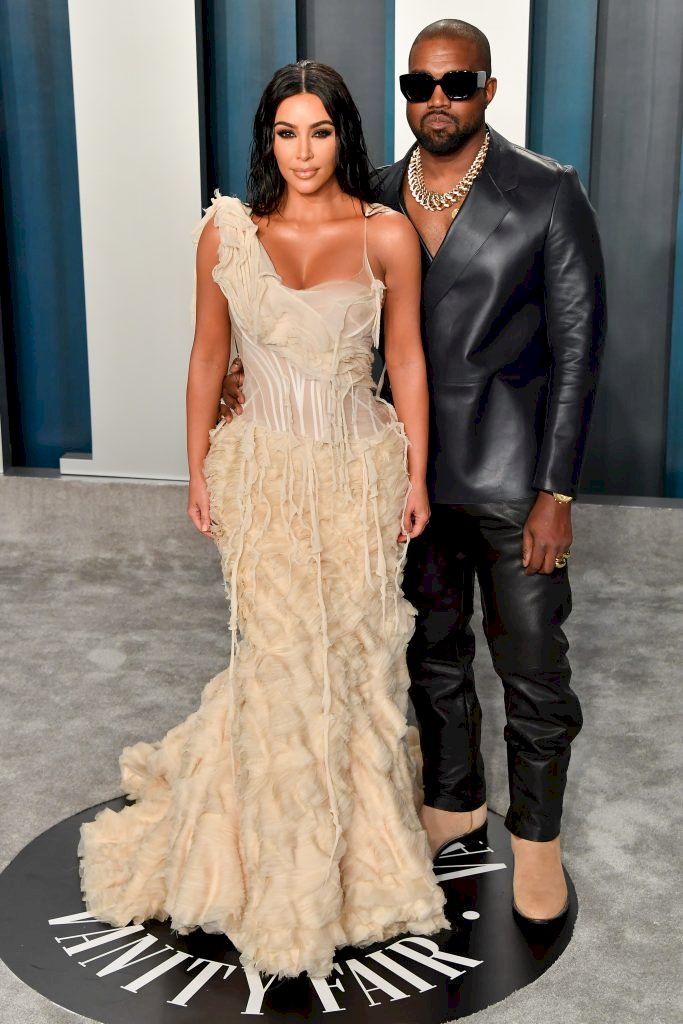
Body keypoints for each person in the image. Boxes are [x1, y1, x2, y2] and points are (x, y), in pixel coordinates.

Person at [222, 21, 606, 926]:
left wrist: (558, 491)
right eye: (419, 82)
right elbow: (331, 313)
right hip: (401, 471)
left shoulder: (546, 191)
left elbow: (580, 348)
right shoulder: (378, 192)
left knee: (533, 667)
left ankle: (535, 841)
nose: (437, 98)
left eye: (457, 82)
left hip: (514, 479)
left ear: (488, 89)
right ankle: (453, 802)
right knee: (429, 651)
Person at [78, 60, 447, 981]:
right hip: (263, 477)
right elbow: (207, 356)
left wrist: (418, 477)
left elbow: (405, 361)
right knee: (280, 662)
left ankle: (357, 858)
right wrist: (197, 469)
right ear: (266, 140)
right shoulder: (227, 233)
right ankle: (275, 871)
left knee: (355, 659)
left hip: (360, 471)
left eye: (319, 132)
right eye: (287, 132)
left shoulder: (387, 235)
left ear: (345, 137)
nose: (304, 151)